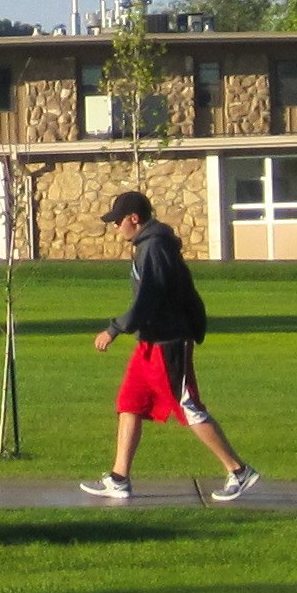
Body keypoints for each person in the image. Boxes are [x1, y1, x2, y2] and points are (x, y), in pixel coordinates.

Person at [79, 189, 260, 503]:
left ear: (134, 219)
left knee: (189, 408)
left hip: (169, 342)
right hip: (150, 342)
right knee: (130, 402)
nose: (115, 226)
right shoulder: (146, 245)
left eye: (118, 220)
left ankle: (239, 471)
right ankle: (119, 478)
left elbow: (150, 298)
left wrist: (114, 329)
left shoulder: (155, 247)